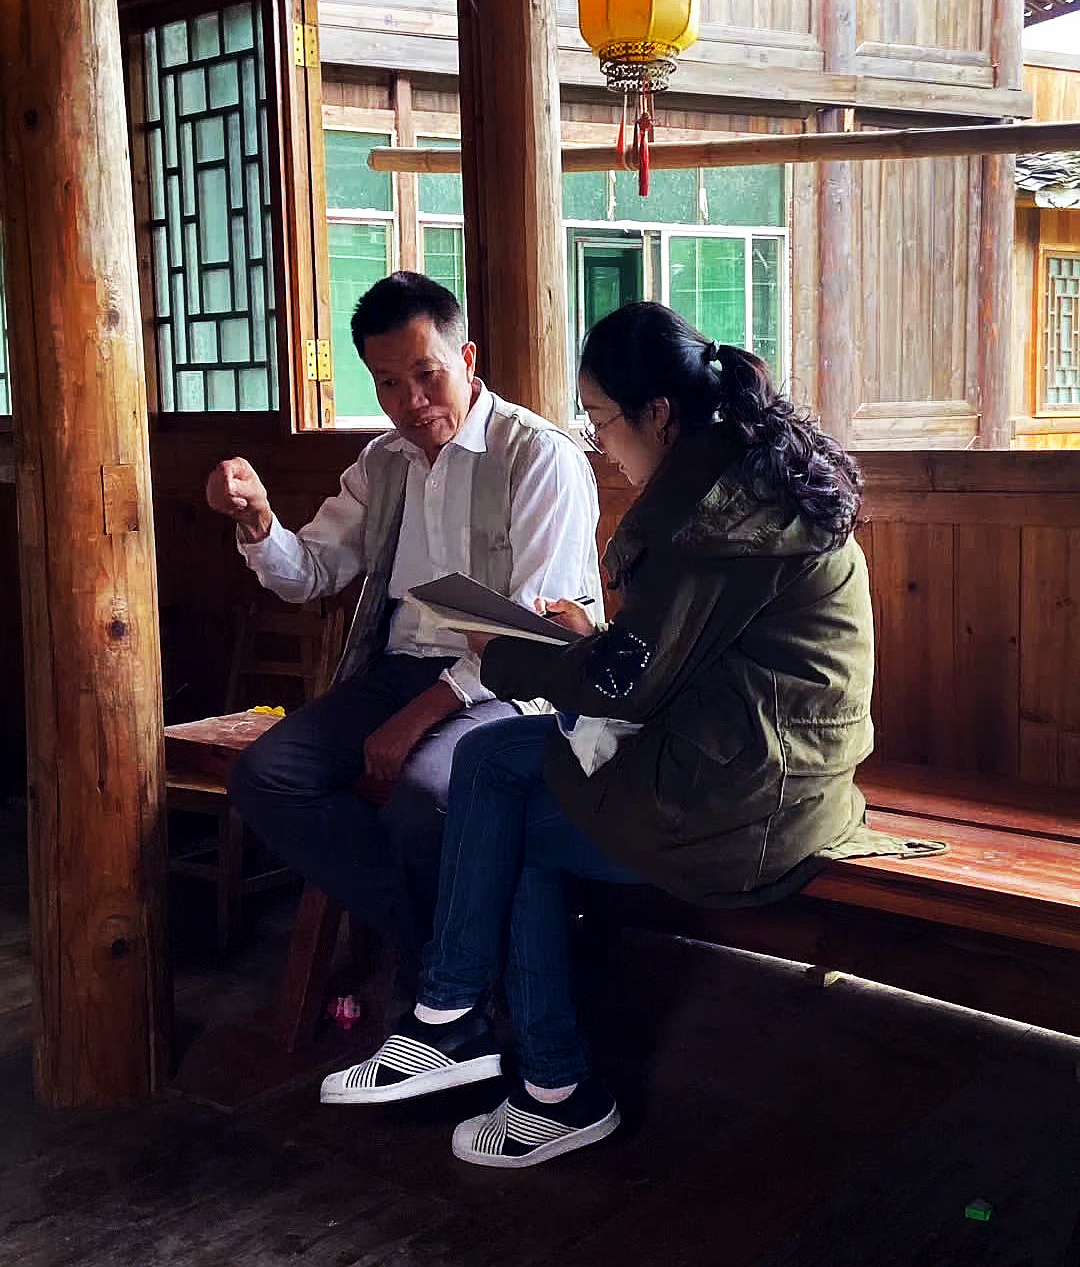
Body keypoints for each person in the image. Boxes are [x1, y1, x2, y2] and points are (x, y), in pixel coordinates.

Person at [321, 300, 875, 1168]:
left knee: (505, 816)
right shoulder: (737, 484)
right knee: (492, 759)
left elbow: (630, 683)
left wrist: (507, 651)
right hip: (755, 764)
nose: (598, 441)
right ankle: (471, 1033)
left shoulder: (714, 519)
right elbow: (672, 658)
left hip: (748, 805)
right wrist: (588, 639)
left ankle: (513, 1060)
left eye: (602, 419)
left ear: (659, 414)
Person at [205, 271, 602, 989]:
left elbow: (533, 636)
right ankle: (446, 956)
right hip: (396, 671)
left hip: (512, 688)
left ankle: (447, 973)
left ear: (467, 359)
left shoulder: (539, 456)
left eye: (427, 375)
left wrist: (416, 719)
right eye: (388, 384)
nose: (410, 402)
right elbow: (311, 573)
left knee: (426, 794)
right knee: (267, 777)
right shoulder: (382, 463)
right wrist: (259, 521)